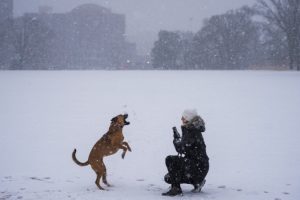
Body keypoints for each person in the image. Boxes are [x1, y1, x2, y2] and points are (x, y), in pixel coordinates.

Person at [162, 109, 209, 196]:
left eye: (183, 117)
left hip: (198, 167)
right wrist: (179, 139)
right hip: (199, 167)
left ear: (188, 118)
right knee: (169, 178)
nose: (181, 119)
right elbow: (186, 147)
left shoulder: (192, 130)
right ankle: (197, 182)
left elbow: (182, 149)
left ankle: (176, 188)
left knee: (170, 159)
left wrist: (176, 139)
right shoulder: (192, 129)